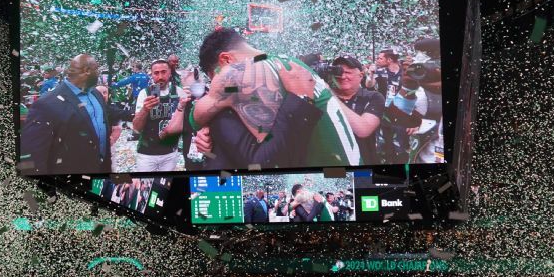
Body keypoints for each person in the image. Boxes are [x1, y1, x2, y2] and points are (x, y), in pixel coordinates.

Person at [188, 28, 362, 169]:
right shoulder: (287, 61)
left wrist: (207, 124)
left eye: (214, 77)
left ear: (226, 59)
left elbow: (270, 162)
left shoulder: (240, 72)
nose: (215, 85)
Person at [17, 54, 112, 175]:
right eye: (97, 70)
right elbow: (33, 156)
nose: (98, 73)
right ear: (87, 71)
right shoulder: (46, 104)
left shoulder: (96, 94)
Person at [130, 60, 188, 172]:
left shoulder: (179, 92)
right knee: (145, 185)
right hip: (147, 153)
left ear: (170, 72)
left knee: (164, 186)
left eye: (163, 72)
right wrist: (145, 110)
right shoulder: (145, 93)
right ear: (151, 75)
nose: (160, 76)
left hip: (170, 152)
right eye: (156, 73)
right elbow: (136, 128)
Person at [328, 56, 385, 166]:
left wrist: (330, 97)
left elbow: (363, 129)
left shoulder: (373, 97)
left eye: (348, 72)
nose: (342, 76)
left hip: (363, 161)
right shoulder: (323, 96)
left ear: (361, 75)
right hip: (331, 160)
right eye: (338, 72)